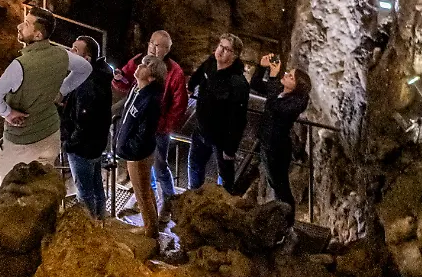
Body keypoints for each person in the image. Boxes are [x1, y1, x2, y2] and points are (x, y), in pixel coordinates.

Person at [0, 6, 91, 182]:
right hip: (50, 135)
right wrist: (62, 91)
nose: (20, 26)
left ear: (38, 35)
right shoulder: (61, 55)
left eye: (27, 24)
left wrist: (8, 113)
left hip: (22, 142)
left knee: (10, 188)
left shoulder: (20, 65)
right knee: (40, 187)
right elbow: (85, 68)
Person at [111, 30, 188, 218]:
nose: (153, 48)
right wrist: (119, 79)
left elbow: (179, 104)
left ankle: (168, 202)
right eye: (152, 43)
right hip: (137, 124)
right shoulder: (140, 61)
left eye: (158, 45)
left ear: (167, 50)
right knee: (142, 169)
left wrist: (163, 125)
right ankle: (145, 200)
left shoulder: (175, 72)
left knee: (160, 166)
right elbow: (127, 82)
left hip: (157, 129)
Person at [250, 54, 312, 222]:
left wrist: (272, 76)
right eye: (288, 73)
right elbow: (255, 85)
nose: (285, 75)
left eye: (290, 76)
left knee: (281, 186)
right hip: (266, 142)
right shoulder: (279, 90)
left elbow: (275, 107)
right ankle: (281, 218)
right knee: (274, 183)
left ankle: (288, 221)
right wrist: (261, 67)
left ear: (297, 86)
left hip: (277, 148)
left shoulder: (296, 103)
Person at [187, 33, 250, 194]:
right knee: (195, 166)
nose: (220, 51)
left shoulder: (238, 83)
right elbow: (199, 74)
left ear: (234, 55)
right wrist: (190, 87)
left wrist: (230, 149)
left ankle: (225, 201)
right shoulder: (211, 62)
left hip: (221, 138)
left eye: (226, 49)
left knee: (225, 175)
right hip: (201, 129)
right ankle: (194, 198)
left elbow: (238, 119)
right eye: (220, 46)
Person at [60, 35, 113, 219]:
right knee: (96, 186)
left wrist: (70, 144)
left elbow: (85, 120)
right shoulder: (98, 75)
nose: (70, 52)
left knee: (84, 193)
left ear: (86, 59)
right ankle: (101, 220)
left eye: (75, 50)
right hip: (95, 144)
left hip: (83, 148)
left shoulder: (87, 85)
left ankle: (89, 226)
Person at [115, 55, 167, 239]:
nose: (139, 66)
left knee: (142, 193)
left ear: (151, 77)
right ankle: (151, 227)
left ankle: (150, 232)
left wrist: (130, 149)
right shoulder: (138, 89)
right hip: (135, 152)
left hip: (138, 155)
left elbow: (144, 132)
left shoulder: (151, 100)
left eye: (146, 65)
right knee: (145, 190)